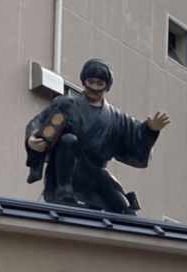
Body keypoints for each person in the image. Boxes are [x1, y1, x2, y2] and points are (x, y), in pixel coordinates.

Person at [24, 58, 170, 214]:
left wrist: (150, 129)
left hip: (95, 173)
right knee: (68, 140)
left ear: (107, 86)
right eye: (91, 81)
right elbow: (39, 123)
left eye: (99, 84)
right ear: (84, 81)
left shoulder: (116, 117)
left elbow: (136, 137)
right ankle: (64, 191)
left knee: (123, 208)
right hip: (66, 169)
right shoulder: (65, 105)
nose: (94, 87)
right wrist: (32, 140)